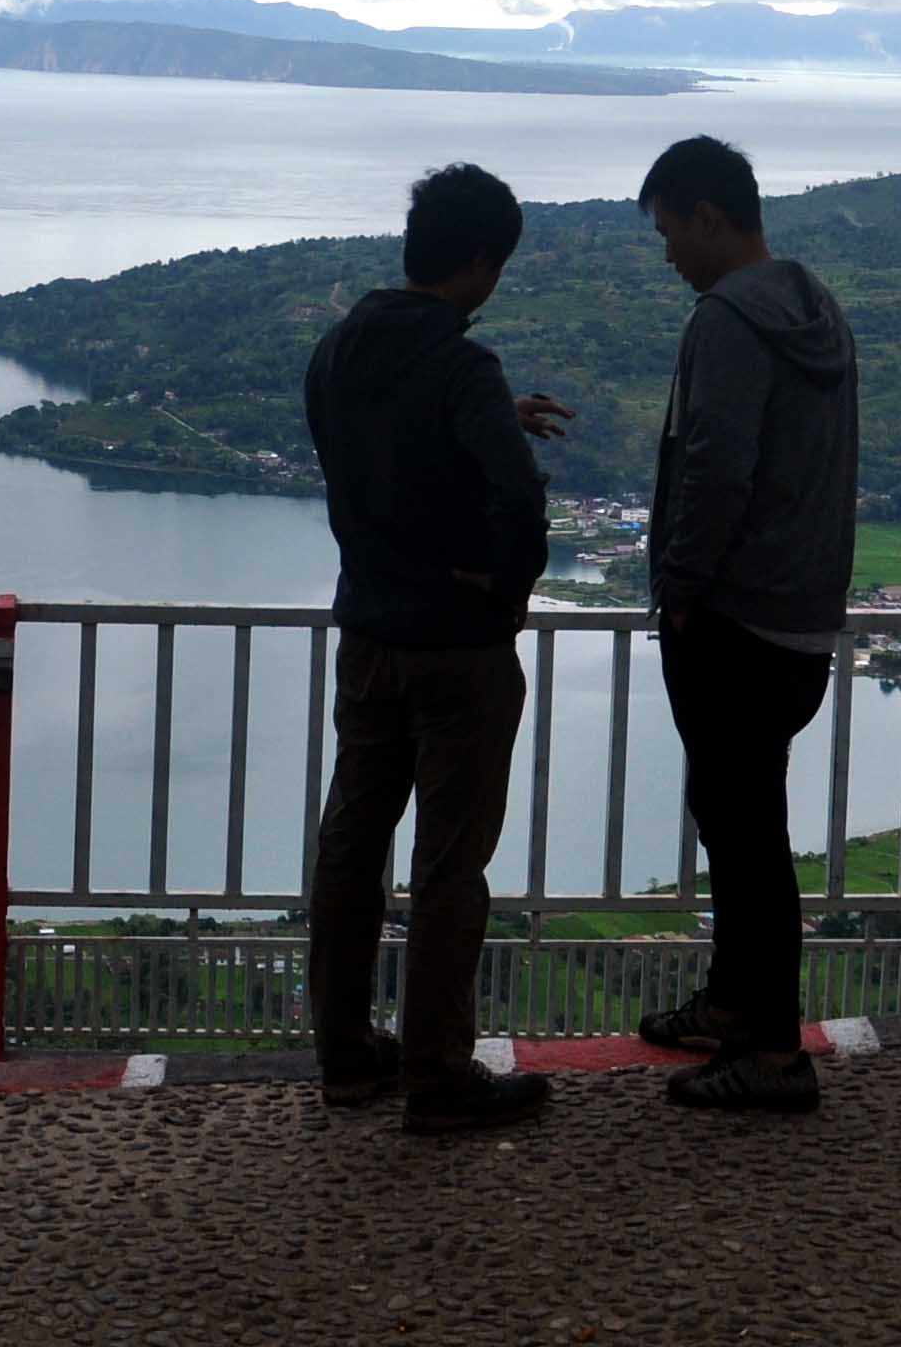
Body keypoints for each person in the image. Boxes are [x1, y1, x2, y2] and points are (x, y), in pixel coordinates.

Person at [303, 162, 568, 1136]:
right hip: (456, 648)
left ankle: (343, 1055)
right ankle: (438, 1074)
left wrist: (492, 426)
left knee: (351, 843)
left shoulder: (335, 350)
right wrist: (504, 590)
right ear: (481, 259)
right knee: (450, 862)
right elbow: (518, 499)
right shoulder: (463, 367)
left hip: (366, 632)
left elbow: (370, 461)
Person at [632, 134, 859, 1114]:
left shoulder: (724, 321)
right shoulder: (817, 309)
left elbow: (715, 467)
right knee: (742, 820)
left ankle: (771, 1052)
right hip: (800, 616)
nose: (669, 253)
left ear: (711, 215)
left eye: (672, 230)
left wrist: (679, 586)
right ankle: (734, 1004)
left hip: (730, 617)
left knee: (746, 833)